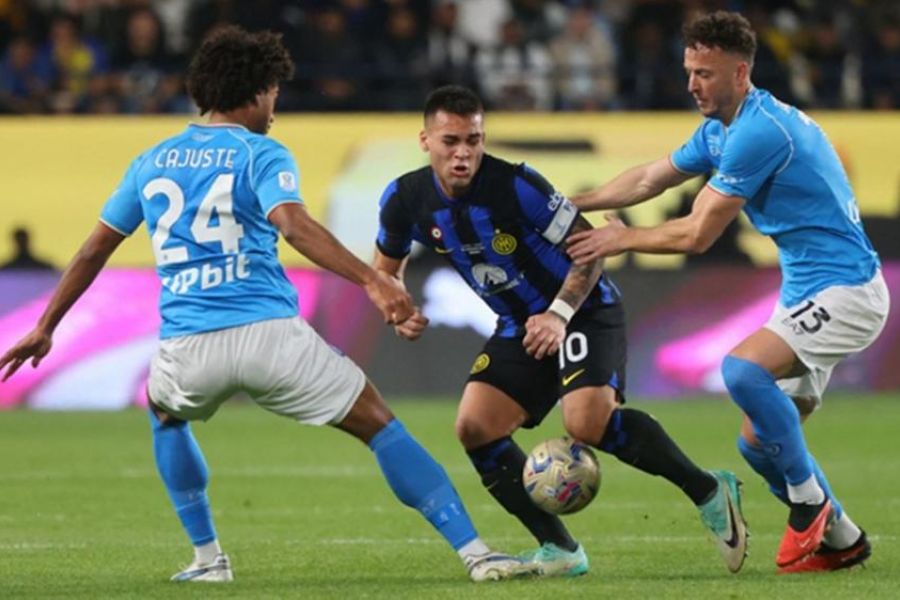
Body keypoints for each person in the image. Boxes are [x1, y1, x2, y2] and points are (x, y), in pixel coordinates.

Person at [0, 27, 535, 584]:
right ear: (254, 92)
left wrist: (46, 326)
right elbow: (294, 226)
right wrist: (371, 280)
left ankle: (208, 559)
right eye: (274, 92)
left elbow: (93, 250)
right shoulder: (260, 152)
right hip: (270, 335)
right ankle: (476, 553)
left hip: (188, 345)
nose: (275, 108)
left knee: (165, 414)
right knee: (380, 426)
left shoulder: (151, 161)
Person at [372, 84, 749, 577]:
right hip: (519, 326)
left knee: (586, 424)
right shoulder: (404, 198)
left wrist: (559, 314)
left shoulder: (518, 185)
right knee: (475, 428)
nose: (463, 153)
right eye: (450, 142)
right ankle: (560, 549)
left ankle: (708, 490)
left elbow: (589, 250)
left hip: (584, 310)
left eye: (473, 140)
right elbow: (385, 270)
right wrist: (397, 306)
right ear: (426, 141)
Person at [566, 11, 889, 574]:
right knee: (757, 446)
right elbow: (650, 179)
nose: (693, 84)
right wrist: (572, 204)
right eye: (689, 71)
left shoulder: (758, 132)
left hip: (848, 290)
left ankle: (809, 504)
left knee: (741, 371)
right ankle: (843, 538)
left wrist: (621, 238)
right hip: (807, 292)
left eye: (706, 74)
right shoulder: (720, 129)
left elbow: (697, 233)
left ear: (741, 73)